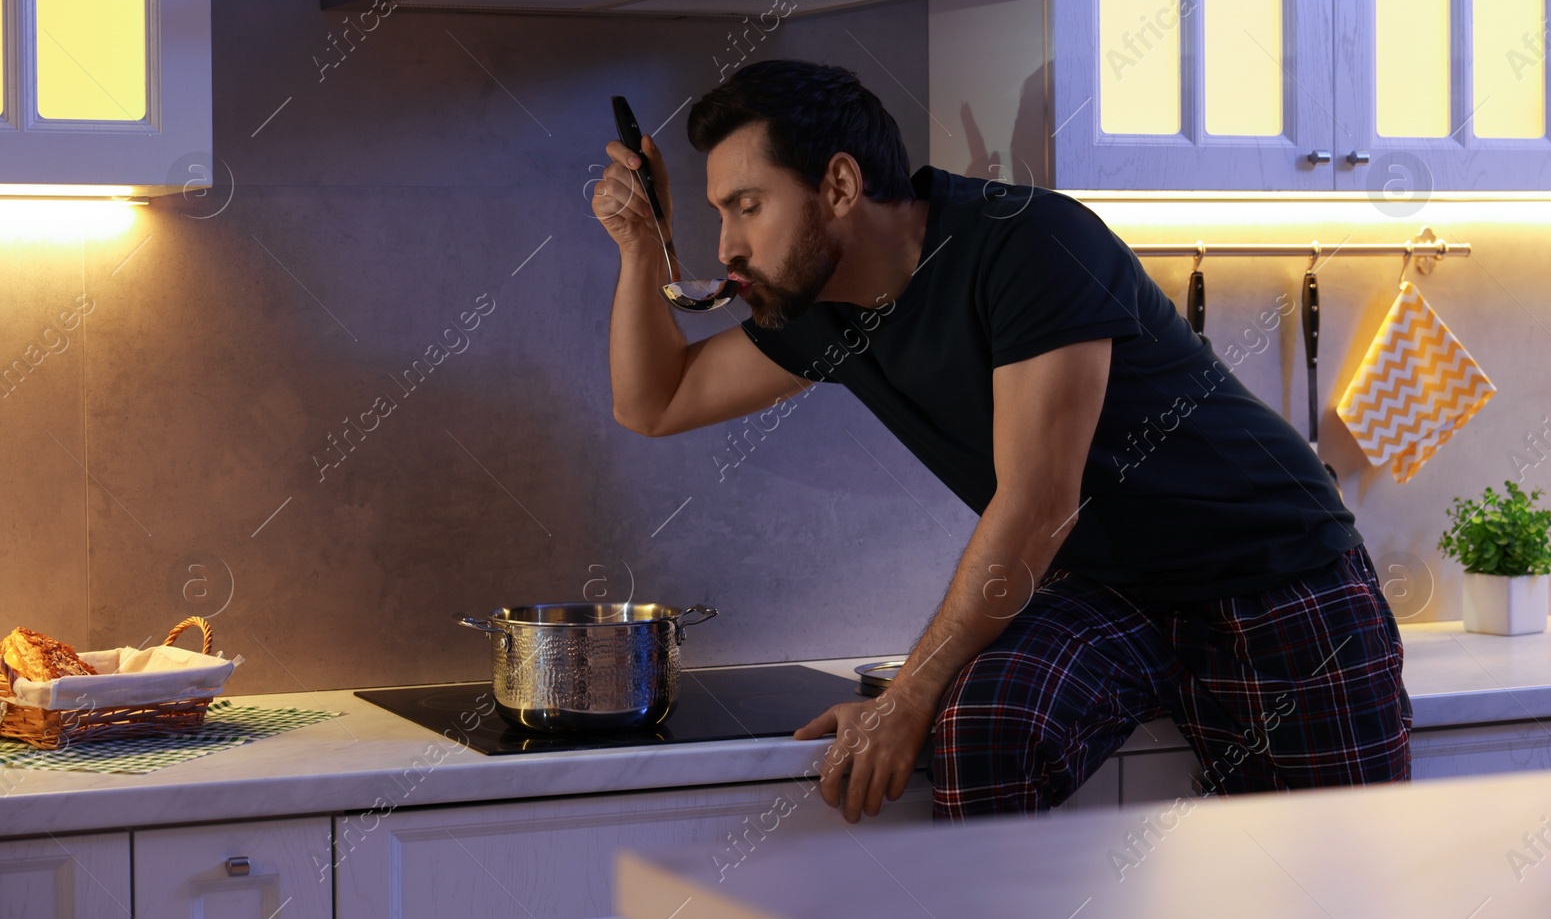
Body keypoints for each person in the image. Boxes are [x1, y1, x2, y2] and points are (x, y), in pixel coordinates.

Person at [592, 59, 1412, 823]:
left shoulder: (1029, 244)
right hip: (1115, 592)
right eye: (718, 214)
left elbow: (1036, 505)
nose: (728, 247)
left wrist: (903, 697)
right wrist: (638, 246)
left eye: (747, 206)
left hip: (1277, 575)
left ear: (839, 184)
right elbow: (654, 400)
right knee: (986, 727)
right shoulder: (825, 316)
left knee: (1331, 877)